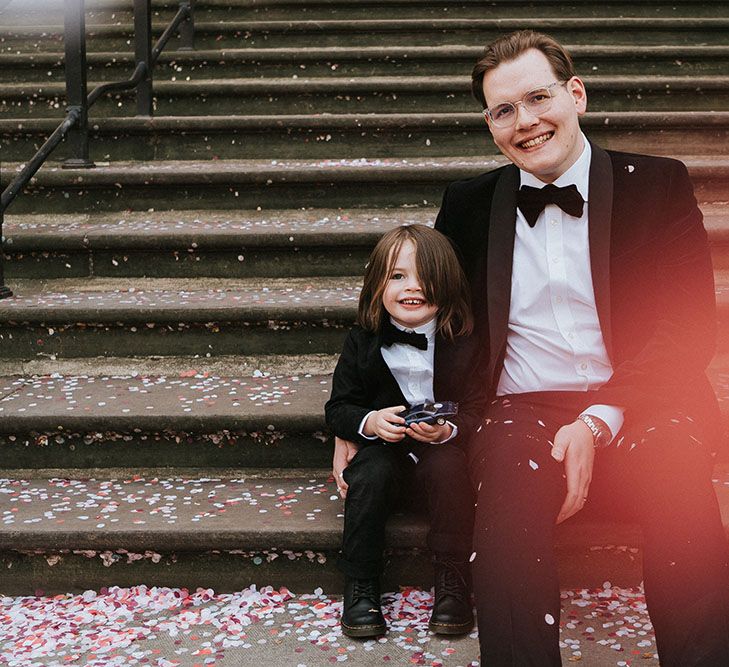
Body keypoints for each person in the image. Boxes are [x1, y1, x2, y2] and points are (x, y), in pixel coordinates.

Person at [434, 29, 729, 666]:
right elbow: (440, 325)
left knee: (679, 475)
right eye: (503, 110)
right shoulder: (466, 205)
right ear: (490, 125)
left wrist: (600, 418)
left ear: (576, 95)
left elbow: (687, 327)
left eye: (538, 98)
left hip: (641, 400)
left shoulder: (657, 185)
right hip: (523, 407)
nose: (526, 121)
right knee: (509, 497)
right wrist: (363, 416)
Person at [325, 224, 483, 638]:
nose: (413, 287)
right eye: (397, 276)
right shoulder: (362, 341)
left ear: (449, 285)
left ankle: (453, 581)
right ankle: (361, 584)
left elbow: (480, 407)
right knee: (370, 473)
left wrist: (448, 431)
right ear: (377, 284)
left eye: (426, 276)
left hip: (440, 459)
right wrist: (370, 422)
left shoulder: (465, 341)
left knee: (450, 470)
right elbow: (339, 408)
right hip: (385, 459)